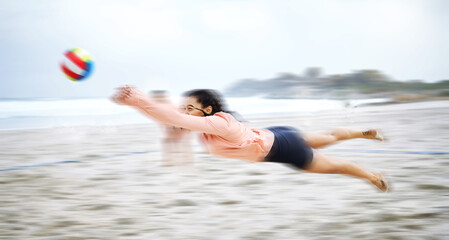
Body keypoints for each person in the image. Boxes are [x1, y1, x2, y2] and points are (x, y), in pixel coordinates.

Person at [112, 86, 389, 192]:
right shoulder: (214, 119)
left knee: (337, 166)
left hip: (281, 147)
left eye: (190, 107)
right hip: (277, 133)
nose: (184, 112)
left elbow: (174, 119)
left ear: (207, 109)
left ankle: (372, 176)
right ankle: (361, 133)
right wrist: (134, 103)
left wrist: (136, 99)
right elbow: (168, 115)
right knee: (328, 136)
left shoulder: (218, 124)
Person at [149, 90, 194, 167]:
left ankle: (170, 162)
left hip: (177, 128)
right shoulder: (168, 105)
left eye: (156, 97)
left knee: (169, 142)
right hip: (180, 128)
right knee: (181, 145)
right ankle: (185, 161)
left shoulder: (164, 106)